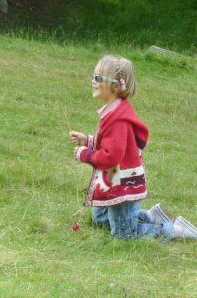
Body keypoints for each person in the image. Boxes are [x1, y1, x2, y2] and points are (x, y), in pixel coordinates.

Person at [69, 55, 197, 240]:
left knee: (124, 234)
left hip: (122, 182)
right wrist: (88, 140)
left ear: (115, 86)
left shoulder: (119, 119)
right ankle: (151, 216)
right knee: (100, 219)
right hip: (112, 176)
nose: (93, 81)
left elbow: (111, 156)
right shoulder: (114, 110)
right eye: (93, 76)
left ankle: (171, 230)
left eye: (98, 78)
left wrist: (85, 154)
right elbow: (115, 143)